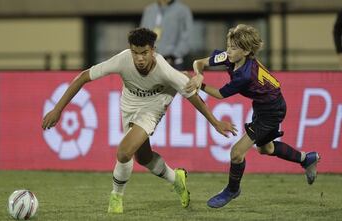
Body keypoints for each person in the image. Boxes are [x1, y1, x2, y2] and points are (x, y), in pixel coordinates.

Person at [42, 28, 237, 213]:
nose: (139, 58)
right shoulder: (123, 60)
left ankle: (116, 198)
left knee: (124, 151)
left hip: (154, 106)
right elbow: (84, 77)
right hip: (128, 106)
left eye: (144, 52)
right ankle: (176, 179)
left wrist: (215, 122)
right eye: (135, 53)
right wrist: (58, 109)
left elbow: (194, 96)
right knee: (143, 158)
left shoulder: (164, 70)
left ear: (153, 50)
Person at [185, 24, 321, 208]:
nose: (228, 51)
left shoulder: (245, 75)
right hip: (264, 105)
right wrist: (199, 75)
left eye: (233, 48)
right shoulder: (229, 56)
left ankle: (232, 190)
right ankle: (306, 159)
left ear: (247, 51)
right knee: (266, 149)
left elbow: (218, 94)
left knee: (236, 153)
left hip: (272, 111)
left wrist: (198, 85)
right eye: (228, 46)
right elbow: (198, 63)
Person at [140, 0, 193, 70]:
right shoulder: (149, 10)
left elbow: (187, 36)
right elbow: (142, 34)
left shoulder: (183, 10)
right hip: (151, 61)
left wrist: (173, 56)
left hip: (173, 62)